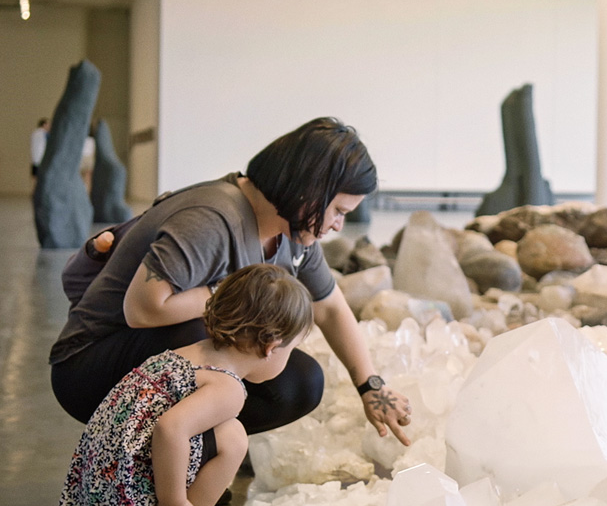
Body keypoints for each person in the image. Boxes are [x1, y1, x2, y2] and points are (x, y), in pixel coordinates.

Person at [50, 117, 412, 447]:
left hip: (153, 358)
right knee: (223, 343)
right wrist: (224, 293)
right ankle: (162, 471)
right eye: (338, 211)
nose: (337, 226)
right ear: (309, 192)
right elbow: (142, 309)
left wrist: (371, 387)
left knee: (299, 382)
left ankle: (194, 455)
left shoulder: (293, 233)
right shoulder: (211, 219)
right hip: (90, 367)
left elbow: (330, 308)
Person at [60, 264, 313, 506]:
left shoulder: (193, 351)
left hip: (98, 482)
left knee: (210, 432)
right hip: (122, 492)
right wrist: (173, 502)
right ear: (271, 347)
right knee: (233, 437)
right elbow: (170, 429)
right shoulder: (228, 387)